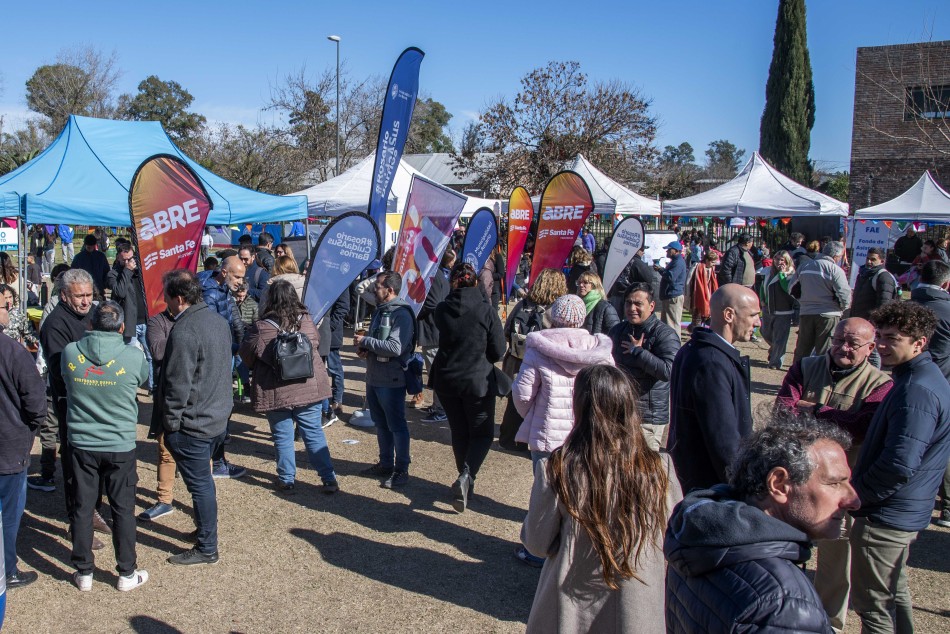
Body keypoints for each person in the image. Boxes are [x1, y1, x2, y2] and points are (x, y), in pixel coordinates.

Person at [522, 365, 681, 634]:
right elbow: (674, 537)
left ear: (580, 408)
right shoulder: (658, 468)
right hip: (637, 607)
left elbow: (537, 544)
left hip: (571, 612)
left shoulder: (558, 469)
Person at [665, 418, 861, 633]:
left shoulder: (699, 537)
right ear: (779, 484)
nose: (854, 500)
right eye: (834, 483)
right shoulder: (786, 605)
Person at [774, 317, 892, 631]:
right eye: (839, 339)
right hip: (796, 477)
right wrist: (840, 418)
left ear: (870, 348)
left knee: (835, 558)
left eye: (853, 343)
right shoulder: (805, 366)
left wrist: (814, 410)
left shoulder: (880, 383)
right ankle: (782, 608)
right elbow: (783, 410)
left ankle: (829, 622)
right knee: (783, 544)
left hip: (840, 486)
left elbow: (862, 427)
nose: (843, 347)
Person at [849, 301, 950, 633]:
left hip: (887, 515)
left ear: (919, 343)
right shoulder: (918, 377)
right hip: (900, 511)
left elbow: (899, 464)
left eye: (892, 338)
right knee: (894, 596)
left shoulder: (916, 390)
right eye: (880, 336)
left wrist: (858, 495)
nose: (880, 345)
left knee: (874, 608)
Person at [63, 301, 149, 591]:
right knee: (123, 509)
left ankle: (84, 571)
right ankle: (126, 573)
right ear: (122, 328)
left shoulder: (70, 352)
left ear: (90, 325)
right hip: (119, 443)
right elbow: (144, 378)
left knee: (83, 506)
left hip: (83, 442)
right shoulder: (133, 356)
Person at [159, 269, 233, 565]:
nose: (163, 302)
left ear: (178, 298)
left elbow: (178, 382)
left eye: (166, 296)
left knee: (200, 484)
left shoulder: (185, 329)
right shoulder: (217, 320)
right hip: (216, 417)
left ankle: (207, 547)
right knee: (203, 483)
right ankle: (205, 532)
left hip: (194, 422)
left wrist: (171, 423)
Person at [240, 280, 339, 494]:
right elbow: (315, 343)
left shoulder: (262, 327)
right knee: (313, 433)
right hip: (308, 386)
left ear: (270, 299)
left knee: (282, 435)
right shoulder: (307, 320)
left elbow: (246, 354)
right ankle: (328, 477)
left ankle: (286, 479)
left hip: (276, 389)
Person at [39, 268, 111, 549]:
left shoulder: (94, 315)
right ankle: (79, 521)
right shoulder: (55, 324)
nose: (85, 301)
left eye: (89, 295)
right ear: (65, 295)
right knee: (76, 465)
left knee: (99, 461)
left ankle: (94, 511)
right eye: (79, 296)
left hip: (100, 403)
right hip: (73, 405)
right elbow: (59, 370)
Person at [668, 284, 759, 493]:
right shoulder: (711, 362)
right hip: (712, 487)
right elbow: (723, 438)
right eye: (753, 314)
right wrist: (743, 488)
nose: (758, 322)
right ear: (729, 314)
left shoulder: (698, 350)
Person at [430, 262, 505, 512]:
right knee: (482, 434)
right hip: (477, 381)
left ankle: (466, 480)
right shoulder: (486, 311)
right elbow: (498, 351)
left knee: (460, 432)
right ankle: (467, 477)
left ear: (453, 281)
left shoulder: (442, 310)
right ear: (476, 282)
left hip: (447, 379)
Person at [513, 294, 614, 465]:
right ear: (582, 317)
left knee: (545, 489)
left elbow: (522, 394)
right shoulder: (600, 352)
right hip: (588, 433)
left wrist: (535, 416)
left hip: (547, 436)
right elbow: (611, 394)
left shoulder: (538, 349)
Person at [354, 271, 416, 489]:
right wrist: (366, 350)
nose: (374, 289)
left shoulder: (401, 314)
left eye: (378, 286)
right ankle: (386, 463)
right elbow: (379, 343)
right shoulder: (382, 310)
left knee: (397, 425)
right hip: (375, 376)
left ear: (390, 290)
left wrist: (366, 341)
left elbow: (394, 347)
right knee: (381, 424)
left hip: (391, 380)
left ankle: (401, 469)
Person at [0, 311, 46, 590]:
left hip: (10, 444)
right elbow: (36, 401)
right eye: (5, 305)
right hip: (8, 448)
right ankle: (7, 569)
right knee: (7, 514)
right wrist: (29, 428)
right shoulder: (12, 351)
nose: (9, 310)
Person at [498, 268, 567, 452]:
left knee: (516, 400)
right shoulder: (555, 311)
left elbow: (506, 332)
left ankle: (509, 439)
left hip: (515, 361)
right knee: (541, 403)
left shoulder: (523, 304)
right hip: (542, 363)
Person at [608, 284, 680, 451]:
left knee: (643, 472)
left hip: (647, 417)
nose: (632, 308)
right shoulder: (618, 330)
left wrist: (639, 352)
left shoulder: (665, 334)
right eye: (628, 303)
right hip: (619, 413)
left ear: (652, 306)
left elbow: (669, 371)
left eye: (638, 304)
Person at [197, 255, 247, 479]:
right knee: (218, 409)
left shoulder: (221, 288)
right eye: (237, 276)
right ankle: (215, 462)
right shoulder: (210, 293)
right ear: (224, 273)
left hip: (225, 352)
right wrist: (234, 346)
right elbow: (211, 330)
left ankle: (216, 460)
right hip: (215, 357)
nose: (240, 282)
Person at [911, 261, 950, 529]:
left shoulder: (903, 307)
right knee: (943, 448)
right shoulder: (947, 310)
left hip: (907, 383)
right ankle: (947, 507)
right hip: (944, 385)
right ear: (946, 284)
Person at [792, 241, 851, 363]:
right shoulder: (835, 270)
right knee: (825, 351)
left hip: (806, 313)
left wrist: (804, 301)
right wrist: (842, 308)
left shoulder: (805, 266)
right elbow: (844, 294)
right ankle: (821, 379)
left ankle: (796, 378)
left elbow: (791, 288)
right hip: (828, 314)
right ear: (837, 256)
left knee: (802, 350)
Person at [106, 243, 153, 391]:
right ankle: (129, 388)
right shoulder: (113, 274)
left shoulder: (141, 271)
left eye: (130, 259)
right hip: (128, 323)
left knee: (151, 355)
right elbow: (119, 292)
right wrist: (126, 271)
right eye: (124, 260)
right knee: (129, 358)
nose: (128, 262)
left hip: (146, 321)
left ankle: (153, 387)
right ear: (118, 258)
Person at [417, 249, 454, 422]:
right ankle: (438, 406)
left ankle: (441, 409)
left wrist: (415, 310)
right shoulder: (438, 275)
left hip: (433, 331)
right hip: (435, 331)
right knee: (435, 372)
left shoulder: (433, 276)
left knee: (436, 373)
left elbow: (432, 302)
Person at [759, 250, 798, 370]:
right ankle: (774, 348)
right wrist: (762, 299)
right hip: (768, 309)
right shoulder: (768, 272)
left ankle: (775, 362)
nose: (779, 262)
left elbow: (788, 289)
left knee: (780, 339)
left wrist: (782, 274)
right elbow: (763, 286)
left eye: (782, 259)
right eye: (776, 259)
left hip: (783, 311)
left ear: (787, 261)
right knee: (765, 332)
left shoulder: (791, 274)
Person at [851, 247, 897, 320]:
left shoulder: (883, 276)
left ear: (882, 261)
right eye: (867, 258)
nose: (869, 261)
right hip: (857, 319)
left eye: (873, 259)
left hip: (871, 323)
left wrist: (875, 322)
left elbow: (884, 304)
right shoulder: (862, 274)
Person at [657, 241, 687, 336]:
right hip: (670, 296)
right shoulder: (675, 261)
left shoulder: (678, 262)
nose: (667, 252)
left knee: (672, 324)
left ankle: (675, 346)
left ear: (676, 251)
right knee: (667, 324)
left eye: (669, 250)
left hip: (673, 297)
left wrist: (660, 270)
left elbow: (671, 277)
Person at [576, 271, 620, 335]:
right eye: (579, 282)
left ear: (594, 285)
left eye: (585, 282)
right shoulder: (576, 305)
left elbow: (615, 333)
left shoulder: (605, 307)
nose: (581, 285)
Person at [686, 250, 719, 332]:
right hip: (697, 293)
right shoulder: (697, 266)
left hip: (708, 293)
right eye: (712, 262)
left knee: (706, 314)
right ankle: (695, 330)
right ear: (707, 260)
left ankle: (693, 328)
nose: (714, 264)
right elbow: (689, 280)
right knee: (697, 314)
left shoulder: (711, 268)